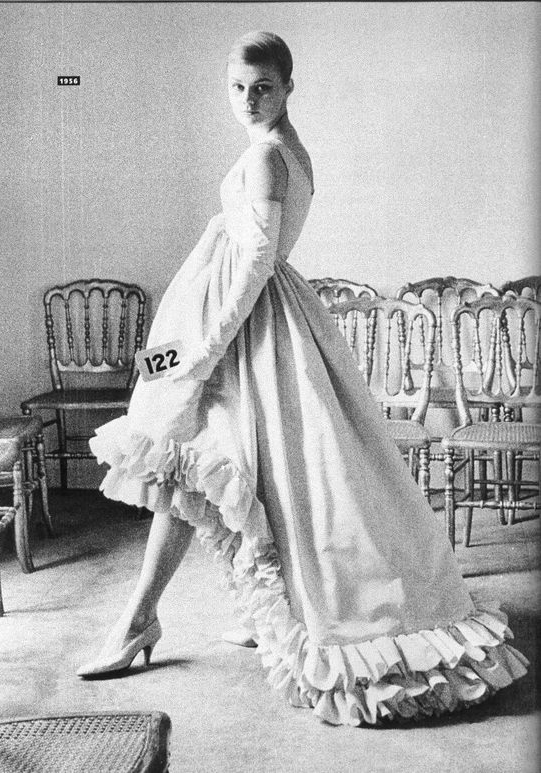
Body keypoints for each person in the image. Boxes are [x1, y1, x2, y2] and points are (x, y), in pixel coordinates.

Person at [78, 31, 528, 726]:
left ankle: (139, 618)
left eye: (262, 87)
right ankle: (225, 612)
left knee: (192, 465)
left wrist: (201, 355)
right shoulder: (287, 148)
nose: (248, 100)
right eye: (237, 88)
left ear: (288, 87)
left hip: (245, 331)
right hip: (248, 322)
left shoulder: (267, 155)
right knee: (229, 473)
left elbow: (255, 264)